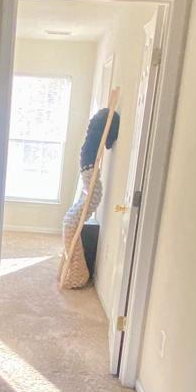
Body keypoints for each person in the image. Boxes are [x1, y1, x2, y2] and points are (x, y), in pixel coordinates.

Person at [60, 107, 120, 288]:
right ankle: (77, 270)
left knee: (73, 221)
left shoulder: (89, 143)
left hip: (90, 173)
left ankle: (79, 272)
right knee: (72, 221)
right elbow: (108, 143)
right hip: (90, 173)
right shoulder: (90, 144)